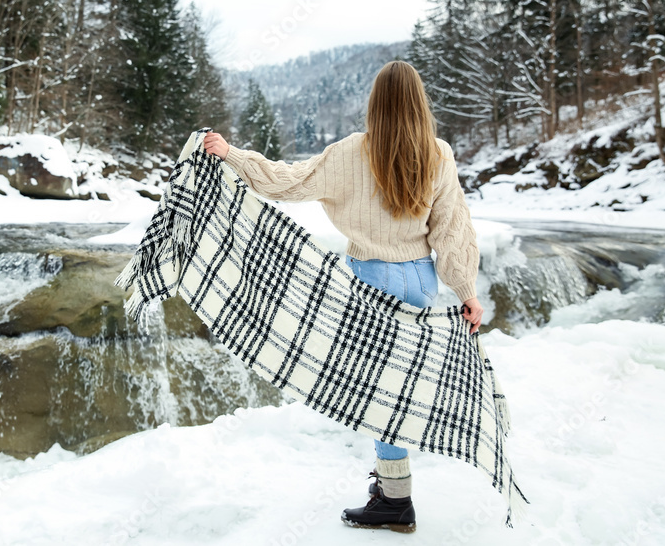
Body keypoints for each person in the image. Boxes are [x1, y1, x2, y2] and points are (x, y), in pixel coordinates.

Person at [203, 60, 482, 534]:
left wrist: (232, 155)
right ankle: (391, 491)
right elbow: (452, 230)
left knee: (381, 397)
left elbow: (284, 182)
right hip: (420, 281)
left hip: (370, 283)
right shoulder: (439, 153)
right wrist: (467, 290)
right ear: (419, 102)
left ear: (374, 103)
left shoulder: (350, 153)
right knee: (398, 392)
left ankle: (395, 500)